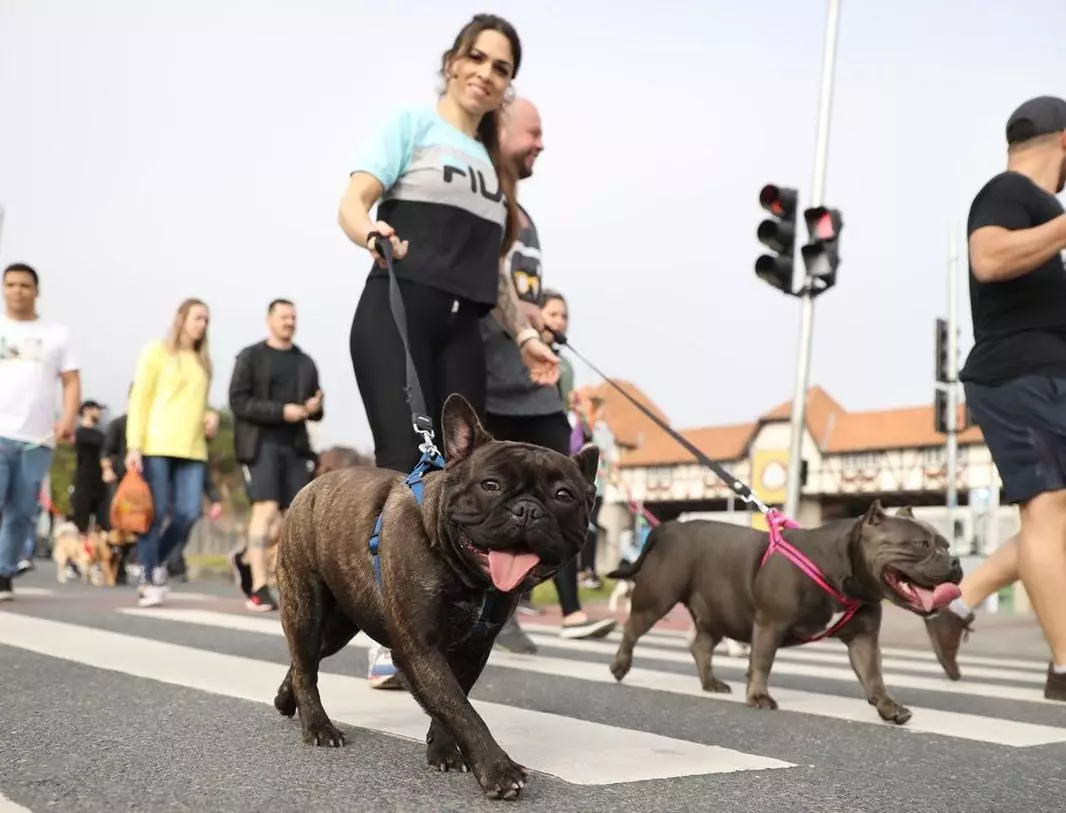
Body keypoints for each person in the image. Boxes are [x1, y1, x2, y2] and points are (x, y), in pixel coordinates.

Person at [337, 14, 558, 689]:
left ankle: (438, 618)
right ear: (453, 59)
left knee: (458, 478)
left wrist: (524, 334)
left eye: (501, 68)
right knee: (405, 466)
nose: (486, 74)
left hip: (466, 330)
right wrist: (367, 229)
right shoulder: (411, 123)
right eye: (478, 58)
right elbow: (355, 197)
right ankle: (388, 632)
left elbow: (493, 273)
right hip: (399, 310)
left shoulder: (495, 169)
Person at [923, 96, 1066, 701]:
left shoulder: (1038, 210)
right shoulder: (1007, 191)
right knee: (1048, 510)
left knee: (1057, 520)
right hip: (1016, 376)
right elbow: (987, 259)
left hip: (1043, 375)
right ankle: (1064, 668)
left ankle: (957, 606)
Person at [481, 99, 617, 652]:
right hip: (485, 374)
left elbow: (524, 292)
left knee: (564, 487)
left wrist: (538, 323)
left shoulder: (527, 219)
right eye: (534, 131)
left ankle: (565, 608)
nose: (542, 143)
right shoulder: (480, 197)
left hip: (533, 383)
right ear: (502, 130)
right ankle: (490, 607)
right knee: (492, 496)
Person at [228, 298, 323, 612]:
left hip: (295, 448)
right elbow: (238, 401)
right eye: (283, 316)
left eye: (293, 317)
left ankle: (245, 559)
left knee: (292, 519)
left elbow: (316, 408)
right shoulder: (251, 357)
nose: (289, 322)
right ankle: (258, 586)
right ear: (269, 320)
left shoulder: (305, 362)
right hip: (260, 444)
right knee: (265, 510)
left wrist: (313, 408)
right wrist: (282, 411)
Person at [125, 298, 217, 608]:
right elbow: (140, 398)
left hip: (193, 448)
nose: (202, 324)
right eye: (197, 318)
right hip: (156, 445)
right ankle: (148, 577)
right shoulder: (156, 351)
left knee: (189, 513)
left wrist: (210, 415)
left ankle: (154, 562)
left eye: (206, 319)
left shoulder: (203, 361)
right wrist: (133, 445)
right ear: (180, 318)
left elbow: (196, 402)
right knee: (153, 514)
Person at [0, 262, 80, 600]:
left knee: (22, 511)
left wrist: (69, 418)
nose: (17, 291)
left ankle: (3, 572)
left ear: (36, 291)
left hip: (37, 438)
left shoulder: (56, 334)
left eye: (24, 285)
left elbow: (71, 380)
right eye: (11, 285)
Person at [70, 400, 108, 536]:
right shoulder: (80, 433)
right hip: (83, 483)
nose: (99, 413)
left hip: (101, 484)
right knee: (81, 524)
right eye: (96, 409)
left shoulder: (102, 434)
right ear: (87, 410)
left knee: (102, 524)